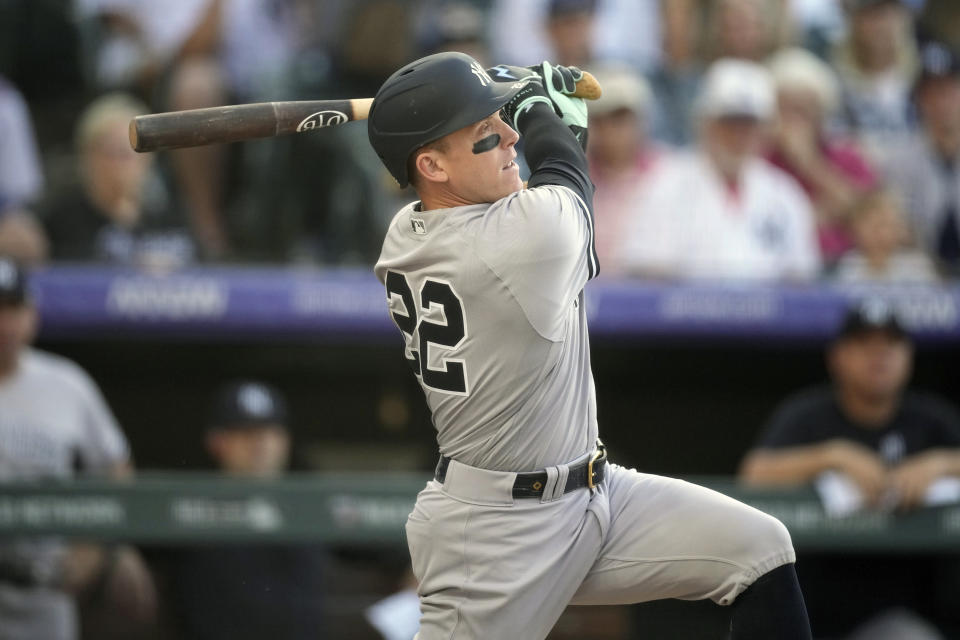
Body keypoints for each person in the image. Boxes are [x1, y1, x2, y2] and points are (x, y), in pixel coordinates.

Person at [368, 51, 810, 640]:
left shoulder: (409, 230)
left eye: (501, 120)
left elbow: (561, 190)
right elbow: (565, 186)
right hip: (498, 531)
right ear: (431, 165)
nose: (507, 137)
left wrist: (549, 124)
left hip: (598, 495)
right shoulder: (510, 241)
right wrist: (537, 109)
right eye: (484, 133)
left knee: (759, 550)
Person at [739, 299, 960, 638]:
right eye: (865, 344)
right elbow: (754, 474)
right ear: (837, 357)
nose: (880, 355)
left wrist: (942, 464)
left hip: (900, 613)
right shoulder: (808, 416)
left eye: (891, 344)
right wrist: (833, 456)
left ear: (909, 356)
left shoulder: (931, 420)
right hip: (812, 613)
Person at [0, 257, 153, 640]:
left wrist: (102, 545)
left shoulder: (66, 384)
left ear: (31, 315)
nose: (4, 324)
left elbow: (117, 467)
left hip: (42, 585)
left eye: (13, 309)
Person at [621, 58, 822, 281]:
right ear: (705, 124)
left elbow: (802, 278)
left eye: (749, 124)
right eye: (729, 123)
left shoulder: (784, 193)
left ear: (765, 130)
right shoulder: (667, 182)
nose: (739, 135)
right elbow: (645, 272)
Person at [160, 380, 325, 640]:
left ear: (285, 440)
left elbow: (384, 539)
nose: (260, 444)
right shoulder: (192, 504)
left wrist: (410, 567)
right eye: (245, 432)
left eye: (270, 432)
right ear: (216, 441)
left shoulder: (310, 503)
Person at [40, 93, 194, 268]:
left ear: (149, 159)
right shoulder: (62, 222)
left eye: (131, 153)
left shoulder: (173, 215)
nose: (123, 164)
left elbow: (208, 272)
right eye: (113, 152)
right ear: (87, 157)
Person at [765, 47, 879, 265]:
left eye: (805, 110)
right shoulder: (760, 159)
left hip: (847, 266)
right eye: (787, 109)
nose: (796, 120)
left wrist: (809, 163)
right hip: (780, 267)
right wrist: (826, 213)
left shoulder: (848, 156)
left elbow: (869, 216)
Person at [882, 40, 960, 275]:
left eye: (949, 90)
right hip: (919, 275)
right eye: (932, 92)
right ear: (919, 100)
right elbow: (899, 230)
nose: (941, 102)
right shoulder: (899, 160)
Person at [587, 65, 666, 277]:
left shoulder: (667, 173)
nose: (610, 129)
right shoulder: (573, 179)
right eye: (601, 119)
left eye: (620, 118)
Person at [834, 188, 940, 283]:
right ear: (857, 230)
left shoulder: (916, 264)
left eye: (888, 225)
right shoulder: (850, 264)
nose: (882, 233)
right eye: (875, 227)